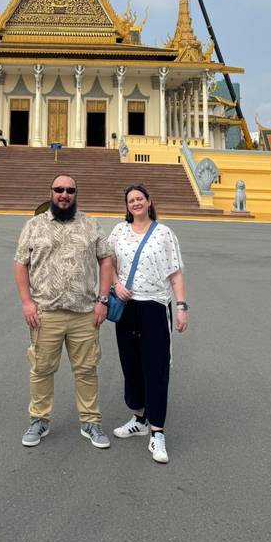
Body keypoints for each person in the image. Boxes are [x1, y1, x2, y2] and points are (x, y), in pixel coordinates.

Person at [14, 173, 112, 449]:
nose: (64, 194)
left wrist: (102, 299)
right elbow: (21, 263)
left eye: (70, 190)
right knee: (41, 369)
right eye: (59, 189)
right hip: (46, 311)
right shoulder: (34, 225)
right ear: (51, 192)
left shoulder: (90, 224)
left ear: (76, 193)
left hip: (84, 312)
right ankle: (39, 420)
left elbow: (106, 260)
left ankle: (91, 421)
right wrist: (26, 302)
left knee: (87, 369)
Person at [108, 183, 189, 463]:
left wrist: (181, 306)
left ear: (149, 201)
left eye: (140, 198)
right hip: (126, 306)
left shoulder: (164, 234)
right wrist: (116, 285)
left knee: (155, 368)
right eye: (131, 200)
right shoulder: (118, 231)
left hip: (154, 305)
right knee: (130, 364)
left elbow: (175, 273)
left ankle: (157, 431)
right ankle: (139, 419)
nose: (136, 203)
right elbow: (108, 264)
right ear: (127, 205)